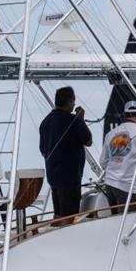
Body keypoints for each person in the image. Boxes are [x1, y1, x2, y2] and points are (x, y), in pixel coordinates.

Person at [39, 86, 92, 223]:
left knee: (58, 214)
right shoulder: (72, 120)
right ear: (69, 101)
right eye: (73, 101)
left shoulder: (45, 123)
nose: (74, 104)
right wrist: (80, 119)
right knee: (69, 216)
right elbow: (88, 140)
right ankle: (65, 240)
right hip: (70, 178)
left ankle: (54, 238)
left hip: (53, 176)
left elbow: (42, 150)